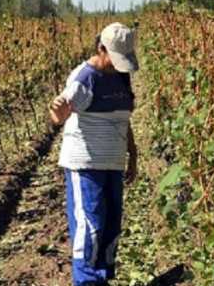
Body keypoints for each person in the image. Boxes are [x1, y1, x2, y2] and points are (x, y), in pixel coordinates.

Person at [49, 22, 139, 286]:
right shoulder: (85, 78)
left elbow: (123, 118)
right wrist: (55, 109)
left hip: (112, 162)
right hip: (85, 163)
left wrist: (132, 154)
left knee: (111, 224)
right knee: (90, 226)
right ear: (101, 48)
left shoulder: (121, 74)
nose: (117, 64)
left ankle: (102, 278)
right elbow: (60, 114)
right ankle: (87, 282)